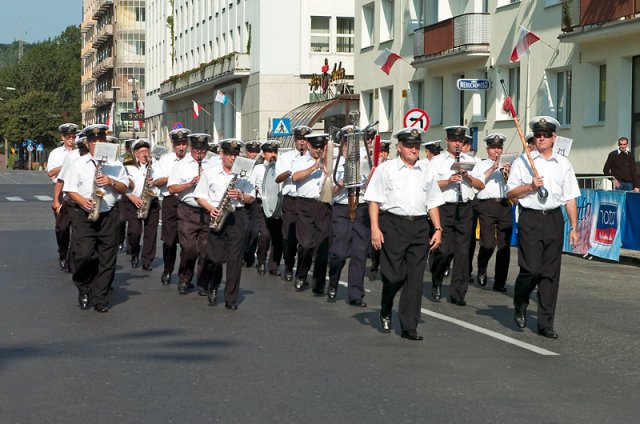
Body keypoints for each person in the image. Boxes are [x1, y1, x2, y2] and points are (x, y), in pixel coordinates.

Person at [364, 127, 444, 341]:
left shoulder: (426, 170)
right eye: (409, 146)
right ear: (399, 148)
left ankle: (409, 326)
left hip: (419, 226)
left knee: (415, 279)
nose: (414, 149)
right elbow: (374, 200)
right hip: (393, 225)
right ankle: (386, 306)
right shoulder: (386, 169)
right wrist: (374, 228)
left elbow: (433, 202)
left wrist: (438, 229)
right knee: (393, 276)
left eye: (416, 146)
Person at [507, 116, 580, 339]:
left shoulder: (563, 164)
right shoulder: (523, 161)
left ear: (553, 138)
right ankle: (520, 301)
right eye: (538, 135)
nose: (541, 138)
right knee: (531, 269)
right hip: (530, 218)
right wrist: (530, 186)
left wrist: (574, 227)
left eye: (546, 135)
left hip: (553, 219)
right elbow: (511, 193)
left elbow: (570, 198)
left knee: (550, 274)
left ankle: (545, 323)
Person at [62, 124, 129, 312]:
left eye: (101, 140)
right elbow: (69, 189)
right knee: (84, 255)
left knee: (107, 259)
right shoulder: (78, 164)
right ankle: (84, 286)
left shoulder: (116, 164)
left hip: (109, 215)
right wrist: (82, 201)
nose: (98, 144)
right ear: (88, 143)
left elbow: (125, 188)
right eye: (94, 141)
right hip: (85, 215)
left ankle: (100, 298)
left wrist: (111, 181)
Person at [195, 139, 255, 309]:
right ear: (221, 154)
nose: (233, 158)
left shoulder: (245, 174)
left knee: (235, 260)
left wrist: (241, 195)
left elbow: (251, 198)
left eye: (235, 154)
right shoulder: (210, 172)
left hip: (237, 217)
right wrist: (210, 208)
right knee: (215, 258)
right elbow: (199, 196)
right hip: (217, 214)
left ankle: (231, 298)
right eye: (229, 154)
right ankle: (213, 285)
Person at [429, 126, 485, 306]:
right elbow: (429, 185)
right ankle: (437, 279)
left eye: (460, 141)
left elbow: (481, 185)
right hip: (445, 208)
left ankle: (458, 293)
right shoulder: (437, 161)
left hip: (465, 208)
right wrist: (448, 181)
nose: (457, 144)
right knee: (444, 250)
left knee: (463, 253)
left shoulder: (471, 160)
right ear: (447, 141)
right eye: (454, 140)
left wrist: (467, 177)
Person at [327, 125, 370, 307]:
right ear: (342, 143)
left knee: (360, 253)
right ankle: (333, 282)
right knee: (339, 253)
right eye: (348, 142)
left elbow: (374, 187)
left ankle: (356, 294)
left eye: (355, 142)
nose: (351, 147)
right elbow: (327, 192)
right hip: (341, 209)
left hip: (361, 208)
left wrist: (368, 180)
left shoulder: (366, 161)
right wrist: (341, 182)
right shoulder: (334, 162)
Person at [167, 133, 215, 295]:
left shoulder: (213, 164)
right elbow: (171, 189)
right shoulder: (181, 165)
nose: (200, 153)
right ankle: (185, 278)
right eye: (196, 150)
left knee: (206, 250)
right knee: (189, 248)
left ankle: (203, 283)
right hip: (188, 210)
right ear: (190, 148)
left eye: (203, 150)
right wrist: (190, 183)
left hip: (207, 210)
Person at [291, 132, 332, 295]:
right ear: (308, 145)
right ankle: (301, 274)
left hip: (324, 205)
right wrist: (315, 166)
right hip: (305, 205)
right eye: (315, 147)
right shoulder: (299, 161)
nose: (318, 150)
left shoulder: (332, 161)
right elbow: (295, 177)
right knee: (306, 245)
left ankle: (319, 284)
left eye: (321, 147)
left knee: (322, 248)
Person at [474, 134, 512, 292]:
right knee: (488, 243)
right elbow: (477, 183)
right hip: (487, 205)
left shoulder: (509, 164)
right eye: (493, 148)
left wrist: (508, 173)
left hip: (504, 204)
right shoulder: (481, 165)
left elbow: (513, 186)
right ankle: (482, 268)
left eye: (499, 148)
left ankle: (500, 281)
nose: (496, 151)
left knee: (504, 247)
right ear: (487, 149)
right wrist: (493, 168)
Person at [153, 128, 191, 285]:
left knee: (187, 243)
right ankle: (167, 269)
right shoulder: (165, 160)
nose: (181, 148)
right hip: (170, 201)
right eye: (178, 144)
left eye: (184, 144)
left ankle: (185, 276)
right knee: (169, 241)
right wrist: (173, 178)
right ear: (173, 144)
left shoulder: (192, 160)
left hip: (187, 202)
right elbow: (156, 181)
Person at [275, 125, 312, 281]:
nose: (302, 142)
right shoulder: (286, 157)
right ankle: (289, 266)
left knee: (306, 242)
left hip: (307, 202)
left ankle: (302, 273)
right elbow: (277, 178)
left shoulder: (313, 157)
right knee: (289, 239)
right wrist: (291, 170)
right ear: (295, 140)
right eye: (299, 139)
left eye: (304, 139)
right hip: (290, 201)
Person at [122, 139, 160, 271]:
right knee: (135, 231)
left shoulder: (156, 165)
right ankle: (134, 251)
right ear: (136, 153)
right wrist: (131, 196)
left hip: (152, 201)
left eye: (146, 151)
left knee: (151, 233)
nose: (145, 154)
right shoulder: (128, 166)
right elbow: (123, 185)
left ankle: (147, 261)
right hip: (134, 201)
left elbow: (161, 182)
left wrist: (154, 182)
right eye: (141, 151)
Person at [249, 140, 284, 276]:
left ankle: (274, 266)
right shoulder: (258, 169)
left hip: (278, 204)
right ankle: (261, 261)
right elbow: (251, 185)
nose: (273, 154)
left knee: (278, 236)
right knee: (265, 235)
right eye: (269, 152)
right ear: (263, 154)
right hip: (261, 204)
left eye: (275, 151)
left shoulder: (281, 167)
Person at [48, 123, 79, 270]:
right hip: (61, 192)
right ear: (63, 138)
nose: (71, 140)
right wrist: (66, 164)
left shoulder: (80, 152)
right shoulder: (56, 153)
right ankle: (62, 252)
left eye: (73, 137)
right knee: (62, 228)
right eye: (68, 137)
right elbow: (50, 173)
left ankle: (72, 259)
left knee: (78, 228)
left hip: (76, 192)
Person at [368, 139, 391, 281]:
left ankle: (386, 269)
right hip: (377, 207)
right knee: (377, 240)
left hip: (389, 208)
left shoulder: (392, 166)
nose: (383, 154)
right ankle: (374, 265)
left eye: (385, 152)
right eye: (381, 152)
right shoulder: (371, 166)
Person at [243, 140, 263, 267]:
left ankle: (250, 255)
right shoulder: (242, 165)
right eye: (251, 152)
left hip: (256, 201)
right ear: (247, 152)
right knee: (245, 230)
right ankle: (242, 254)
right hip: (243, 200)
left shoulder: (261, 167)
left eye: (256, 152)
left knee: (255, 231)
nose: (254, 154)